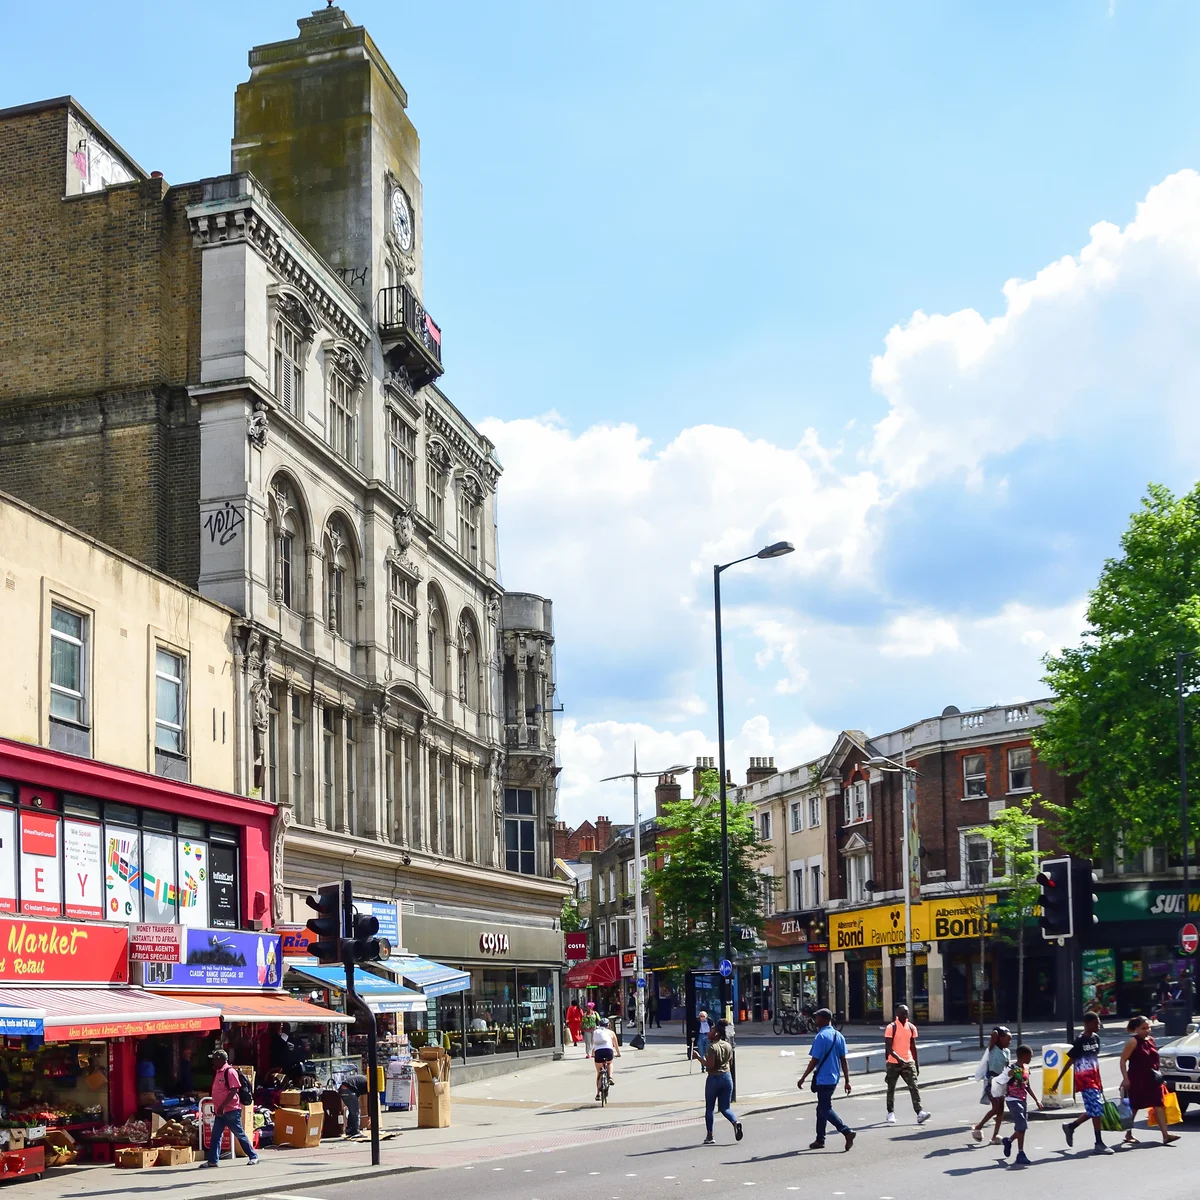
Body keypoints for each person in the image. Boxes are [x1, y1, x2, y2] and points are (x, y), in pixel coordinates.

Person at [1050, 1011, 1114, 1155]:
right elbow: (1070, 1061)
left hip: (1094, 1078)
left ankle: (1071, 1127)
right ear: (1087, 1023)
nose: (1098, 1025)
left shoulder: (1096, 1039)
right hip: (1084, 1080)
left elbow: (1095, 1061)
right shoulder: (1079, 1041)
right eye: (1096, 1022)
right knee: (1097, 1109)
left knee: (1094, 1109)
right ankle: (1098, 1142)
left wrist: (1100, 1081)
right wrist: (1058, 1080)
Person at [796, 1008, 855, 1152]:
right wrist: (847, 1080)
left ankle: (846, 1131)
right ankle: (820, 1139)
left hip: (823, 1079)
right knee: (820, 1108)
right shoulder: (838, 1035)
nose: (815, 1021)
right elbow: (843, 1060)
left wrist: (803, 1077)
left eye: (817, 1018)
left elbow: (814, 1060)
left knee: (825, 1108)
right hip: (834, 1078)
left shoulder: (821, 1037)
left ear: (824, 1019)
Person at [1119, 1014, 1181, 1147]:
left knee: (1158, 1104)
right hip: (1137, 1079)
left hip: (1152, 1079)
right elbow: (1123, 1060)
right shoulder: (1133, 1042)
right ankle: (1128, 1133)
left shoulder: (1151, 1040)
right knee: (1134, 1107)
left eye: (1148, 1028)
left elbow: (1155, 1061)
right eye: (1143, 1028)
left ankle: (1165, 1135)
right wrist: (1125, 1078)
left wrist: (1160, 1077)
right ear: (1136, 1029)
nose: (1147, 1030)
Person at [202, 1050, 259, 1167]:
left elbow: (234, 1090)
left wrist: (223, 1106)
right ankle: (213, 1161)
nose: (213, 1061)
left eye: (214, 1059)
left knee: (239, 1134)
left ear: (221, 1060)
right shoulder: (218, 1072)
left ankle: (253, 1156)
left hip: (231, 1110)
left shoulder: (230, 1071)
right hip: (220, 1111)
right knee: (216, 1136)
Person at [693, 1019, 742, 1145]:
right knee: (725, 1108)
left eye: (711, 1030)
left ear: (716, 1034)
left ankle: (710, 1135)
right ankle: (735, 1122)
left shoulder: (712, 1047)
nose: (709, 1032)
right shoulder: (728, 1045)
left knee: (710, 1108)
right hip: (727, 1077)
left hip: (714, 1079)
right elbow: (730, 1063)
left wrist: (698, 1057)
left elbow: (709, 1066)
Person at [883, 1004, 930, 1125]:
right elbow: (888, 1047)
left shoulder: (911, 1027)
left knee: (913, 1086)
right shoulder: (891, 1027)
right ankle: (890, 1113)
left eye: (907, 1013)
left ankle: (919, 1112)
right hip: (893, 1063)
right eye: (903, 1013)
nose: (906, 1015)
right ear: (897, 1014)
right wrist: (897, 1059)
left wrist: (916, 1063)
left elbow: (913, 1047)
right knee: (891, 1088)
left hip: (908, 1061)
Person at [1001, 1044, 1043, 1166]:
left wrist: (1036, 1100)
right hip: (1012, 1099)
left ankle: (1008, 1141)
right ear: (1023, 1056)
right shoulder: (1011, 1068)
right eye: (1030, 1056)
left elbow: (1027, 1086)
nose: (1031, 1058)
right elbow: (1002, 1081)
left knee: (1022, 1126)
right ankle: (1020, 1153)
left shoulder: (1026, 1069)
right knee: (1022, 1125)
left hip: (1022, 1099)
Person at [971, 1026, 1011, 1144]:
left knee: (1001, 1111)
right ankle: (978, 1127)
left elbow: (1007, 1067)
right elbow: (993, 1035)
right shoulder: (993, 1048)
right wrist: (997, 1031)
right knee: (996, 1108)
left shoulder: (1007, 1052)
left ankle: (995, 1136)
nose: (1009, 1042)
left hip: (1002, 1081)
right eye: (1007, 1039)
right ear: (1000, 1038)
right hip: (992, 1081)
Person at [592, 1017, 620, 1100]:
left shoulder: (596, 1032)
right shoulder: (611, 1033)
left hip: (598, 1052)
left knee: (598, 1073)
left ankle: (597, 1094)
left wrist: (592, 1053)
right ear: (608, 1025)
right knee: (609, 1063)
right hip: (608, 1051)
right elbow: (616, 1045)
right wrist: (618, 1053)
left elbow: (594, 1044)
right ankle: (610, 1077)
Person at [339, 1072, 369, 1137]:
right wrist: (370, 1115)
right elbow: (370, 1101)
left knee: (352, 1110)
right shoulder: (368, 1084)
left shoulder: (363, 1080)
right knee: (355, 1112)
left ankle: (349, 1129)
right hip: (349, 1090)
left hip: (342, 1090)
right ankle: (356, 1132)